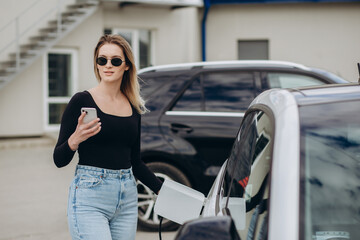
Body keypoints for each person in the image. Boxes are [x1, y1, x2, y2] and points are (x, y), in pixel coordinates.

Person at [53, 34, 163, 240]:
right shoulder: (81, 101)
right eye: (102, 60)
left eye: (115, 60)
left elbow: (135, 161)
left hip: (127, 197)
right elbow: (59, 160)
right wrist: (75, 139)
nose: (108, 65)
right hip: (89, 196)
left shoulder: (133, 107)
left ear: (127, 66)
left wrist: (162, 189)